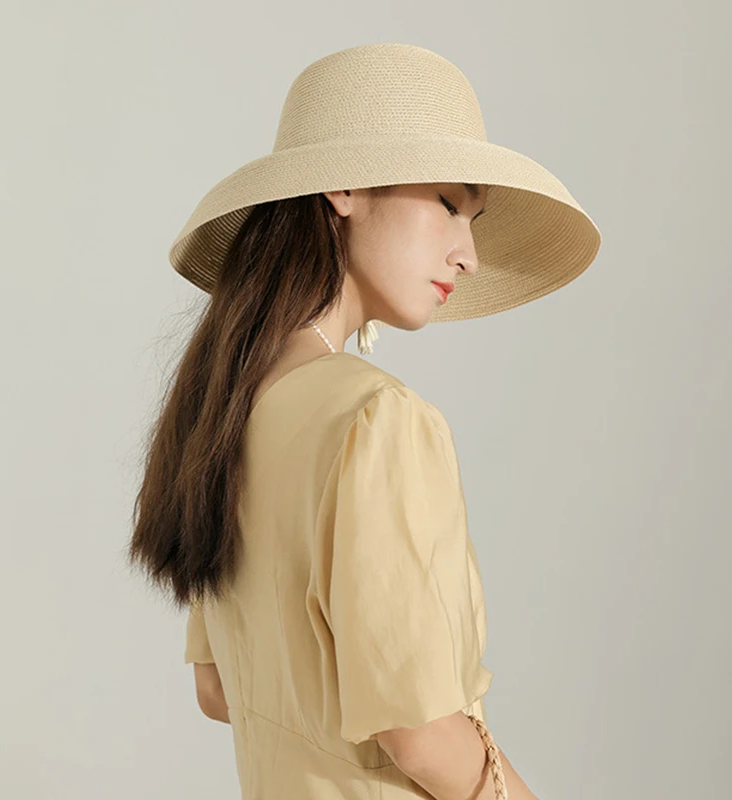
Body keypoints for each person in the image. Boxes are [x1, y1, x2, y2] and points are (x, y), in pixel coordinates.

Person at [127, 43, 601, 800]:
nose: (470, 255)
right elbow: (420, 734)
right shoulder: (376, 420)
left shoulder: (221, 414)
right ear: (344, 185)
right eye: (449, 204)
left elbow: (217, 689)